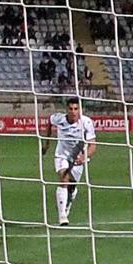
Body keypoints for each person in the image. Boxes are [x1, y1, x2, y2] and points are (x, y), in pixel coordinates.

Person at [40, 96, 96, 227]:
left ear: (80, 110)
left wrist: (84, 156)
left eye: (76, 109)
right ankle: (62, 216)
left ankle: (68, 202)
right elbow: (49, 122)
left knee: (72, 187)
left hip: (78, 158)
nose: (73, 111)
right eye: (70, 108)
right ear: (67, 109)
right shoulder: (59, 118)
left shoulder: (86, 122)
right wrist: (47, 144)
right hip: (62, 155)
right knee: (63, 179)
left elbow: (93, 145)